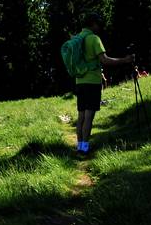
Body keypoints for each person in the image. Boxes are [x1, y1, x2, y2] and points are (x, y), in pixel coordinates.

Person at [57, 13, 140, 158]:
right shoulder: (94, 39)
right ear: (93, 24)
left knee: (81, 116)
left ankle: (80, 146)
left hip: (80, 81)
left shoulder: (78, 38)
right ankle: (84, 149)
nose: (99, 26)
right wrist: (125, 60)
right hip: (92, 82)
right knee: (89, 116)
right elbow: (105, 60)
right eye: (97, 23)